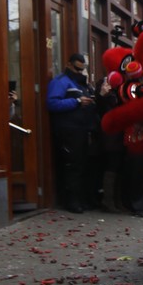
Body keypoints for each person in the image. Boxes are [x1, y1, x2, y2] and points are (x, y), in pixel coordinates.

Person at [47, 52, 100, 213]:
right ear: (69, 64)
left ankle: (83, 199)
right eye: (77, 69)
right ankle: (71, 201)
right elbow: (52, 104)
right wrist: (76, 101)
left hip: (83, 130)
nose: (79, 72)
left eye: (82, 69)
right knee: (72, 166)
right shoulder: (60, 82)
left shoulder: (82, 83)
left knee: (84, 165)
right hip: (68, 132)